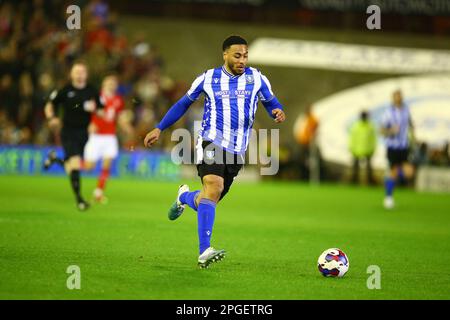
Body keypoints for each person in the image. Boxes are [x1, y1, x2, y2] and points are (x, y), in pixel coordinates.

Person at [143, 35, 286, 268]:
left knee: (208, 198)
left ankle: (183, 197)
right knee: (214, 186)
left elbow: (271, 102)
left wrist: (277, 111)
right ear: (225, 55)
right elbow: (183, 103)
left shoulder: (257, 78)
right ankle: (204, 251)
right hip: (211, 140)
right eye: (237, 55)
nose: (242, 60)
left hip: (237, 149)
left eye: (245, 56)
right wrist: (160, 127)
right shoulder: (208, 78)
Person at [44, 62, 103, 211]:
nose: (79, 74)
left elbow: (102, 111)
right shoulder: (65, 90)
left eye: (82, 71)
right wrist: (51, 118)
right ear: (71, 74)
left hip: (84, 133)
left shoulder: (92, 91)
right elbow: (50, 104)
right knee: (76, 163)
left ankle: (55, 159)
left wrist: (95, 113)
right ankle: (80, 200)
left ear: (86, 74)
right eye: (76, 71)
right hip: (68, 131)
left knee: (72, 166)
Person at [83, 74, 124, 203]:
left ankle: (98, 192)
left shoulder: (118, 100)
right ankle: (68, 163)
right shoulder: (96, 97)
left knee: (107, 165)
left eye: (113, 82)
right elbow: (84, 110)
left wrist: (125, 125)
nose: (111, 84)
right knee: (89, 167)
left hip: (110, 137)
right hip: (96, 136)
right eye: (109, 82)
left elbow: (118, 117)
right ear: (104, 84)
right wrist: (88, 124)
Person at [380, 90, 415, 209]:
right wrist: (391, 131)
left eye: (400, 96)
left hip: (404, 146)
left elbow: (410, 125)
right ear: (393, 98)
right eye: (396, 97)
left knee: (409, 173)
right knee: (394, 172)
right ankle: (388, 198)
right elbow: (381, 130)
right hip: (393, 147)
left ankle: (388, 179)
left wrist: (414, 138)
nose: (398, 99)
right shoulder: (388, 113)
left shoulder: (406, 110)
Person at [349, 110, 376, 185]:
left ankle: (369, 182)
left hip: (367, 150)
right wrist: (351, 147)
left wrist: (373, 148)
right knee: (355, 168)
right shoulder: (356, 126)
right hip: (357, 150)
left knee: (368, 169)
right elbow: (352, 138)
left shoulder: (370, 126)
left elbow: (373, 139)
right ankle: (354, 181)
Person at [294, 105, 319, 181]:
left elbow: (314, 128)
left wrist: (312, 135)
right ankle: (303, 177)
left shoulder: (312, 119)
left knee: (308, 160)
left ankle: (306, 177)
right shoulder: (306, 119)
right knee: (303, 160)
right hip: (304, 143)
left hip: (308, 144)